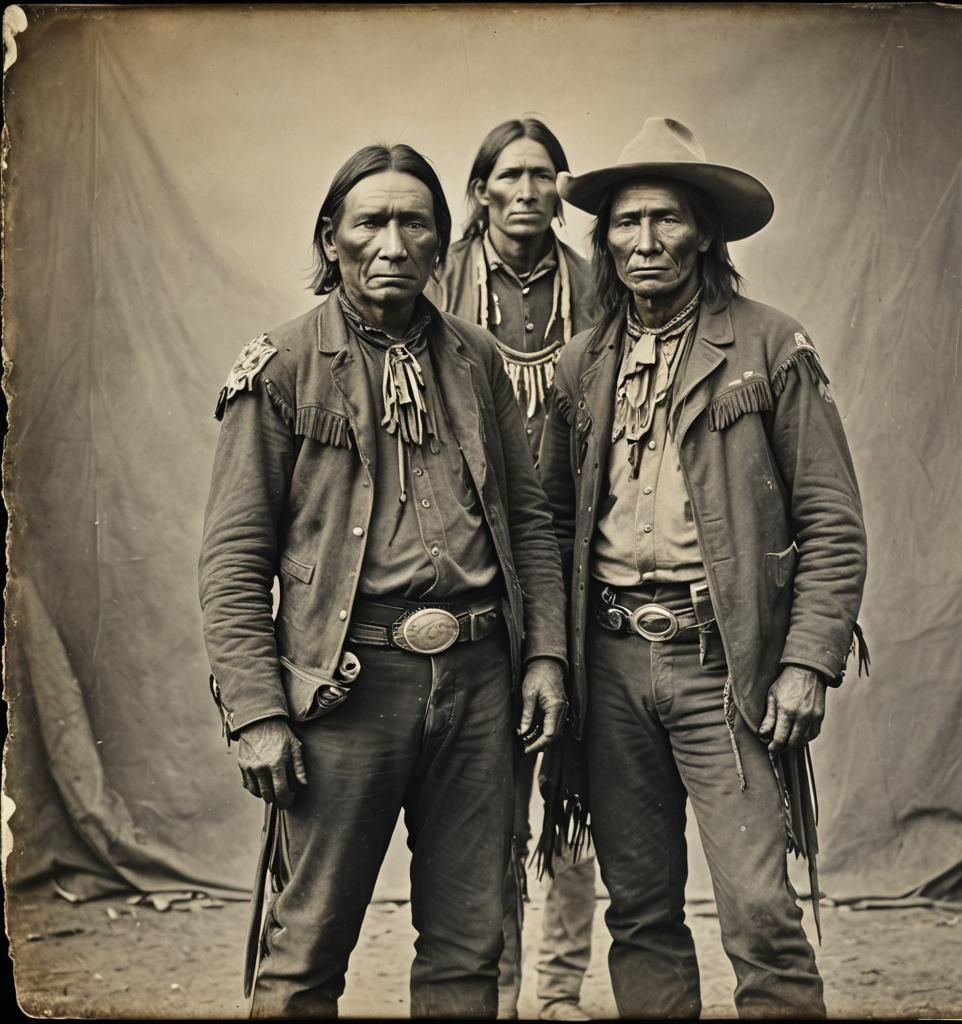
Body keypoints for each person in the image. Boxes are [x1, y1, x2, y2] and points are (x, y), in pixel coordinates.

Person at [198, 142, 569, 1020]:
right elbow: (233, 561)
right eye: (371, 222)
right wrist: (257, 713)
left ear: (443, 244)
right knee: (307, 949)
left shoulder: (476, 358)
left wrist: (545, 656)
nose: (393, 243)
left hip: (481, 685)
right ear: (332, 239)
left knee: (470, 946)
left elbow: (529, 526)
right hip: (348, 690)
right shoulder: (283, 366)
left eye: (415, 224)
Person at [539, 117, 869, 1019]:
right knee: (639, 911)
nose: (644, 242)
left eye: (667, 220)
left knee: (760, 909)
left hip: (725, 662)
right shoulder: (584, 364)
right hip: (607, 663)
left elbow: (833, 521)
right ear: (603, 239)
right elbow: (551, 521)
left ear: (706, 232)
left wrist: (806, 661)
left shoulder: (769, 346)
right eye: (625, 223)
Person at [428, 118, 598, 1021]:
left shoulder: (599, 282)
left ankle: (562, 990)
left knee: (577, 774)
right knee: (489, 798)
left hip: (576, 552)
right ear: (481, 189)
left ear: (563, 189)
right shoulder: (434, 282)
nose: (529, 190)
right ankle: (491, 987)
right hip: (477, 556)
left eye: (545, 174)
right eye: (511, 174)